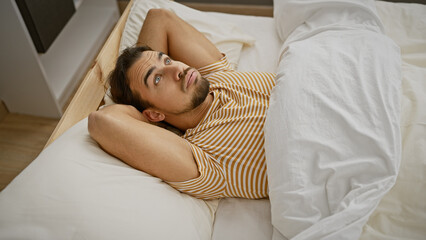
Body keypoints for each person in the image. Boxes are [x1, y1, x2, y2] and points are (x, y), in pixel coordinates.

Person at [88, 9, 275, 199]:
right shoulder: (203, 161)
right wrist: (149, 119)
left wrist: (153, 69)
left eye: (167, 59)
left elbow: (159, 18)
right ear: (153, 114)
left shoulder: (218, 77)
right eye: (158, 79)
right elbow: (101, 121)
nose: (178, 68)